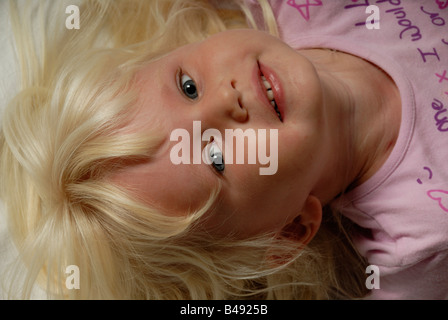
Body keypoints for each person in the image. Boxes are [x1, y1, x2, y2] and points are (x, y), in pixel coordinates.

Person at [0, 0, 445, 300]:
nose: (223, 103)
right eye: (215, 157)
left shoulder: (305, 7)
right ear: (288, 233)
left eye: (188, 86)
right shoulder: (419, 238)